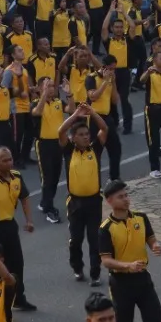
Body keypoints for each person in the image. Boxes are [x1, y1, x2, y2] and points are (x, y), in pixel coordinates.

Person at [96, 181, 161, 322]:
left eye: (126, 195)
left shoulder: (141, 218)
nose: (126, 199)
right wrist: (127, 266)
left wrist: (155, 245)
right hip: (121, 282)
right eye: (121, 197)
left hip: (143, 279)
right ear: (109, 201)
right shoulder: (106, 228)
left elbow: (150, 238)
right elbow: (106, 260)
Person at [0, 147, 37, 311]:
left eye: (10, 159)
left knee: (17, 263)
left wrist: (29, 220)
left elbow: (24, 198)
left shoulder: (17, 177)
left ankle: (18, 297)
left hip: (10, 226)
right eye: (4, 160)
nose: (9, 163)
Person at [59, 106, 106, 286]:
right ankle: (77, 268)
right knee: (76, 239)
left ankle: (95, 273)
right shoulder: (69, 151)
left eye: (87, 134)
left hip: (94, 202)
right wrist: (75, 115)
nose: (86, 137)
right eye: (81, 134)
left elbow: (104, 129)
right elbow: (61, 131)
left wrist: (93, 113)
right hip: (75, 203)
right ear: (73, 138)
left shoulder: (95, 149)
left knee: (95, 239)